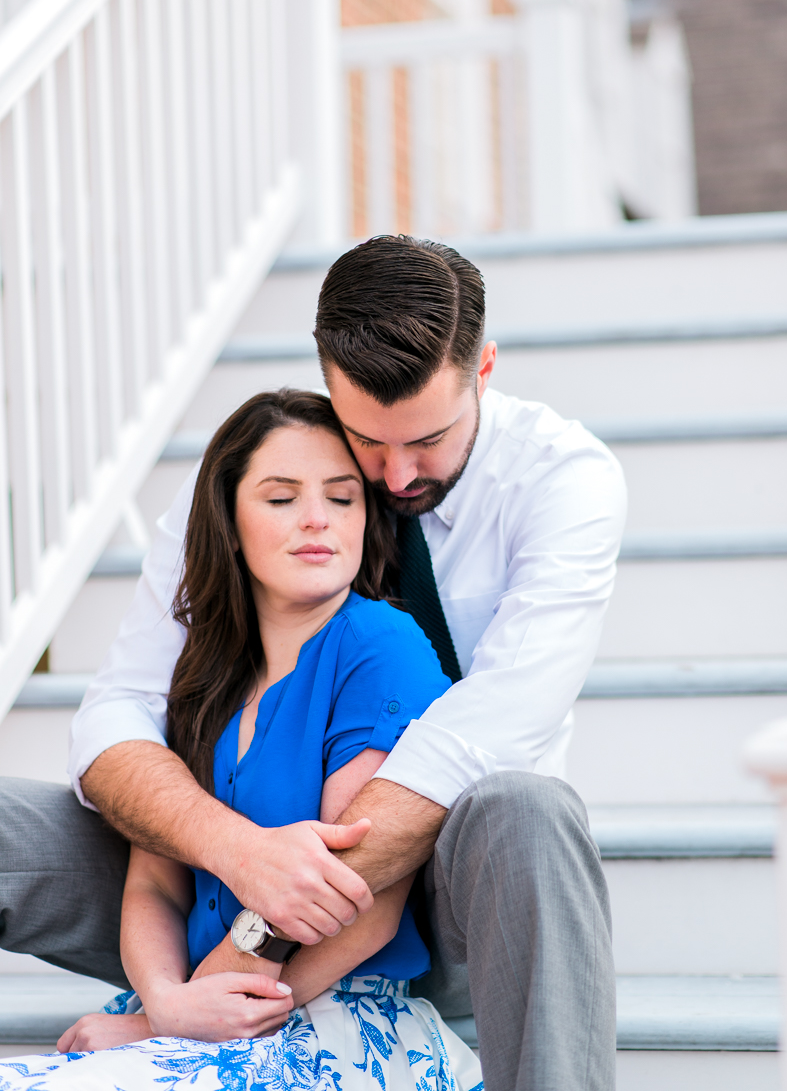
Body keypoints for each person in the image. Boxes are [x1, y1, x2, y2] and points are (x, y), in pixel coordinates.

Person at [0, 235, 626, 1091]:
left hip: (432, 893)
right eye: (368, 441)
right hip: (220, 870)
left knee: (527, 809)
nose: (395, 476)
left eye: (428, 441)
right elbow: (121, 714)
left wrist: (200, 993)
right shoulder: (262, 478)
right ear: (329, 378)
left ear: (482, 369)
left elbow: (486, 735)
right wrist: (235, 853)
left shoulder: (562, 483)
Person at [0, 390, 482, 1090]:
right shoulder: (205, 671)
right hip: (191, 1004)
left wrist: (165, 1024)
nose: (316, 518)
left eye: (343, 499)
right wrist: (163, 1000)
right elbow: (156, 884)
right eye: (281, 498)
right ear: (229, 523)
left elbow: (362, 901)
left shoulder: (382, 647)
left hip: (321, 1020)